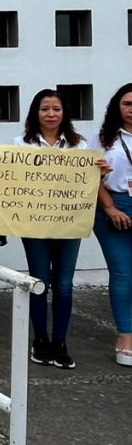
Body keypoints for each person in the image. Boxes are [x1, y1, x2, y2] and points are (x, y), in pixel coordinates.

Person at [16, 89, 102, 369]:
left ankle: (60, 342)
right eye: (44, 109)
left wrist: (100, 172)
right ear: (35, 113)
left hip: (69, 226)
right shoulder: (21, 144)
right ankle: (40, 340)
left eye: (56, 109)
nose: (50, 114)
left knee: (64, 286)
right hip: (35, 227)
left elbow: (88, 184)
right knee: (39, 282)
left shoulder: (81, 146)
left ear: (64, 113)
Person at [92, 83, 132, 368]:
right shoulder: (104, 137)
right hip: (114, 207)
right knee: (123, 274)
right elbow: (91, 176)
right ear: (117, 106)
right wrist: (109, 207)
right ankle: (126, 336)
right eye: (128, 103)